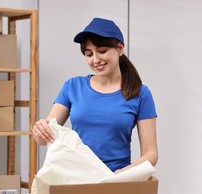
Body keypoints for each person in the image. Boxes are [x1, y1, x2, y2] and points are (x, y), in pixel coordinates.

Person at [32, 17, 158, 173]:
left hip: (116, 181)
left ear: (119, 49)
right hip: (77, 177)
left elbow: (151, 154)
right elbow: (42, 140)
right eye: (89, 54)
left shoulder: (140, 93)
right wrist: (39, 130)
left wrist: (124, 173)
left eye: (102, 51)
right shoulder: (72, 87)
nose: (95, 60)